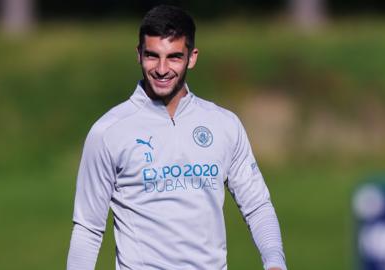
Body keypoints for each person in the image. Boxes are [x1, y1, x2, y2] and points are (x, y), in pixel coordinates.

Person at [67, 5, 286, 270]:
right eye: (152, 56)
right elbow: (88, 228)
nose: (161, 69)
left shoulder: (224, 124)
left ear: (191, 58)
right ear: (138, 55)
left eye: (173, 57)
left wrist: (275, 261)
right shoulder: (108, 132)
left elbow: (257, 206)